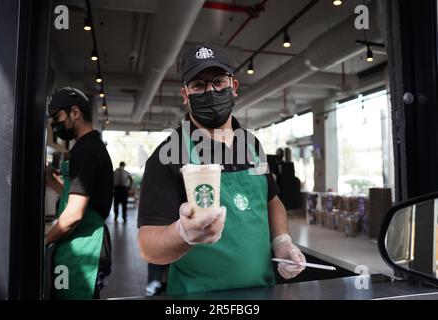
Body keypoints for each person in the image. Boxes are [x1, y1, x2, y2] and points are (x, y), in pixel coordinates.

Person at [137, 45, 306, 295]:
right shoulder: (167, 156)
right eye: (198, 85)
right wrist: (183, 233)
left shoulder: (251, 145)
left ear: (233, 86)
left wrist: (281, 241)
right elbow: (147, 246)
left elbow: (272, 200)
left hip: (261, 291)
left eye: (218, 82)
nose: (211, 91)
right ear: (185, 95)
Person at [45, 87, 114, 299]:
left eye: (57, 117)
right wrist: (50, 178)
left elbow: (74, 213)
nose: (55, 124)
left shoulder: (85, 151)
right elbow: (76, 193)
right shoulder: (91, 146)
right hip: (79, 244)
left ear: (75, 112)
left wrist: (44, 240)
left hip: (79, 250)